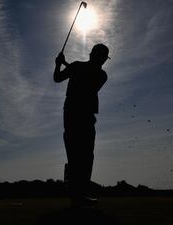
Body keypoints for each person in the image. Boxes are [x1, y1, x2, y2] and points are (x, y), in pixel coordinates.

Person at [54, 43, 110, 207]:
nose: (103, 61)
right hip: (72, 114)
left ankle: (80, 193)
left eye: (103, 58)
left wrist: (63, 64)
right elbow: (57, 78)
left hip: (85, 116)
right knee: (75, 154)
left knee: (86, 156)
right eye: (101, 57)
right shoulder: (78, 67)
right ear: (94, 55)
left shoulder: (101, 75)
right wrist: (60, 65)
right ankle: (76, 194)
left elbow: (86, 77)